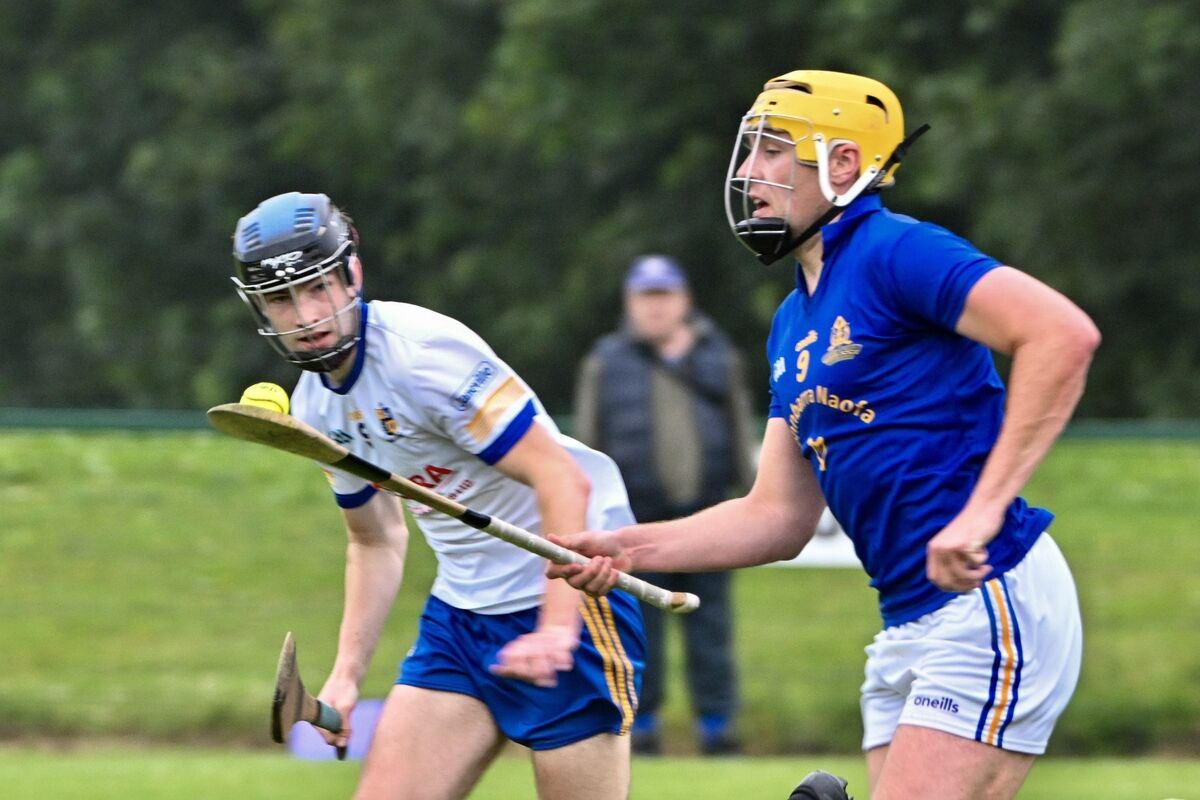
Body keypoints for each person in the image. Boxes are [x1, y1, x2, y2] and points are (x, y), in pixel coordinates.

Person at [548, 70, 1100, 800]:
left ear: (844, 164)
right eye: (750, 152)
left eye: (774, 151)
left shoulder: (897, 252)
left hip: (991, 598)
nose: (749, 173)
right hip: (906, 622)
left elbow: (1062, 335)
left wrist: (982, 509)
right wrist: (627, 548)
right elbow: (774, 517)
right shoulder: (790, 323)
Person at [230, 191, 645, 800]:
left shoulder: (424, 360)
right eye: (281, 299)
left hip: (570, 596)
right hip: (461, 618)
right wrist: (346, 678)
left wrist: (557, 629)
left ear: (353, 276)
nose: (306, 316)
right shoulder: (317, 406)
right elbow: (375, 537)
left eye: (317, 287)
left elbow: (563, 478)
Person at [574, 254, 754, 756]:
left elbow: (741, 431)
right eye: (645, 298)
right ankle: (642, 725)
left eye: (664, 297)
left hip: (710, 517)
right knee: (640, 629)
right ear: (630, 305)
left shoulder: (719, 356)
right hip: (635, 525)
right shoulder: (605, 362)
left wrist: (750, 498)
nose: (655, 309)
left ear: (684, 301)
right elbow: (588, 444)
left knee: (713, 630)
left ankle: (719, 729)